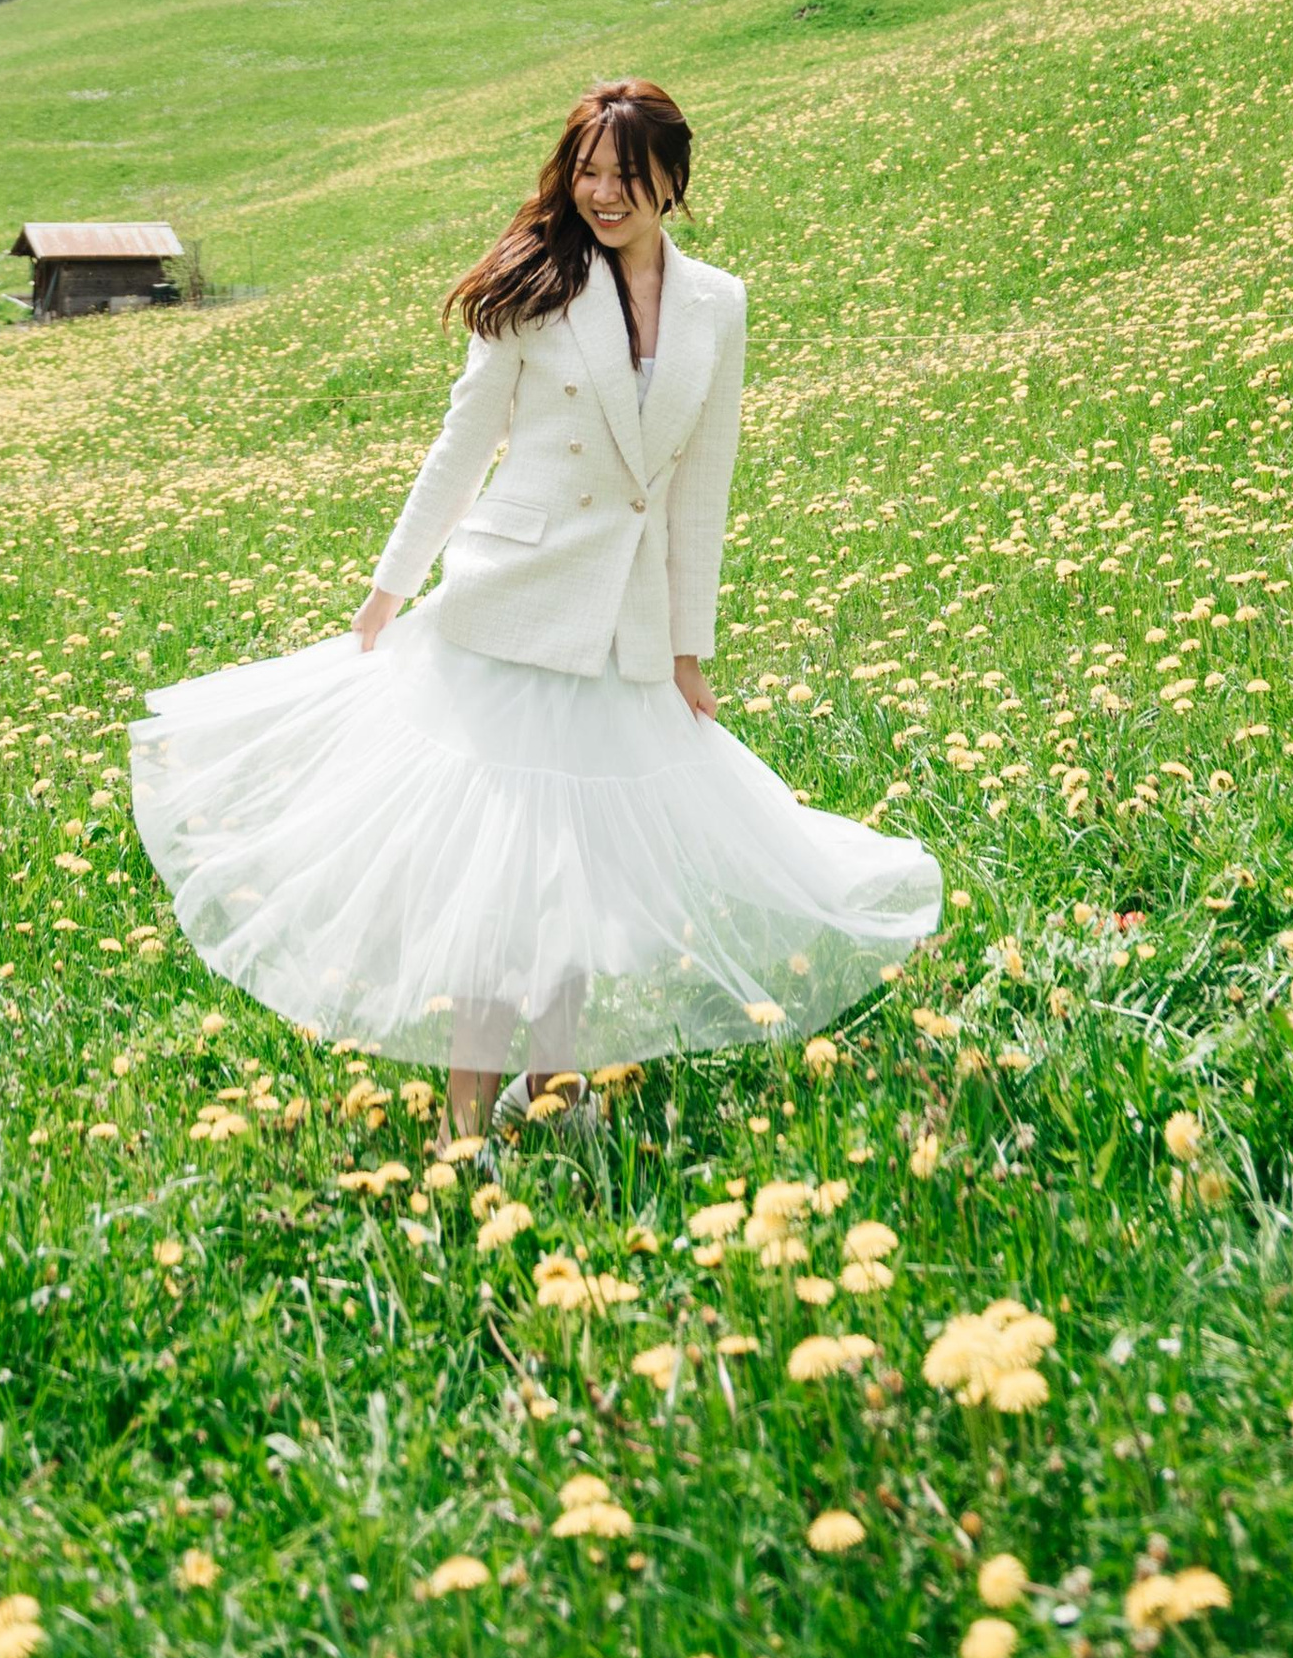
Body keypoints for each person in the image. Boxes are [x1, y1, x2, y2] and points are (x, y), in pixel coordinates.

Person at [130, 77, 942, 1135]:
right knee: (495, 884)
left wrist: (689, 651)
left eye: (625, 176)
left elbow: (703, 487)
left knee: (573, 878)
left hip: (625, 633)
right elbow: (461, 445)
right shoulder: (539, 286)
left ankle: (549, 1092)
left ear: (673, 181)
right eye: (587, 173)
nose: (602, 195)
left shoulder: (717, 305)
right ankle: (469, 1132)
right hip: (507, 614)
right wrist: (388, 590)